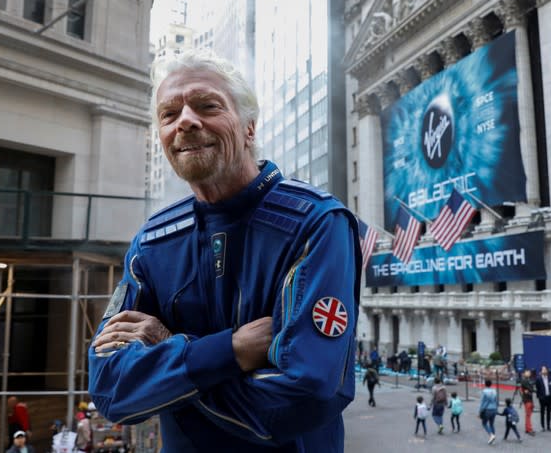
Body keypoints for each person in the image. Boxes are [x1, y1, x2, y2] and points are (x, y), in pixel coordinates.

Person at [87, 50, 361, 452]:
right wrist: (228, 351)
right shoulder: (152, 242)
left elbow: (303, 398)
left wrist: (169, 363)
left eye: (207, 106)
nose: (186, 121)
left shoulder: (316, 223)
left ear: (249, 127)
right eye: (169, 114)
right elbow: (111, 390)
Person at [536, 365, 551, 431]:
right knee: (542, 412)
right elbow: (537, 389)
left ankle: (548, 426)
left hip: (549, 397)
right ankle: (542, 426)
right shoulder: (538, 379)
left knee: (549, 412)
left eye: (545, 369)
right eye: (543, 370)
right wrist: (539, 397)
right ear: (541, 371)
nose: (544, 371)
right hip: (542, 398)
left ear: (547, 371)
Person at [479, 379, 498, 444]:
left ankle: (491, 435)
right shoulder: (494, 391)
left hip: (487, 409)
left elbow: (482, 402)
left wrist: (480, 411)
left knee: (484, 423)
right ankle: (493, 439)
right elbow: (496, 401)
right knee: (492, 424)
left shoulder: (484, 391)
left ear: (485, 384)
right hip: (494, 408)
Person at [519, 368, 535, 435]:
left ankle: (527, 428)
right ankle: (529, 429)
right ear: (524, 373)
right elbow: (531, 389)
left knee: (528, 415)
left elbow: (531, 389)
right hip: (527, 399)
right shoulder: (524, 381)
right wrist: (530, 389)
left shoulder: (529, 380)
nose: (529, 373)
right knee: (528, 415)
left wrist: (529, 390)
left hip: (530, 398)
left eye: (529, 372)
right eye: (527, 372)